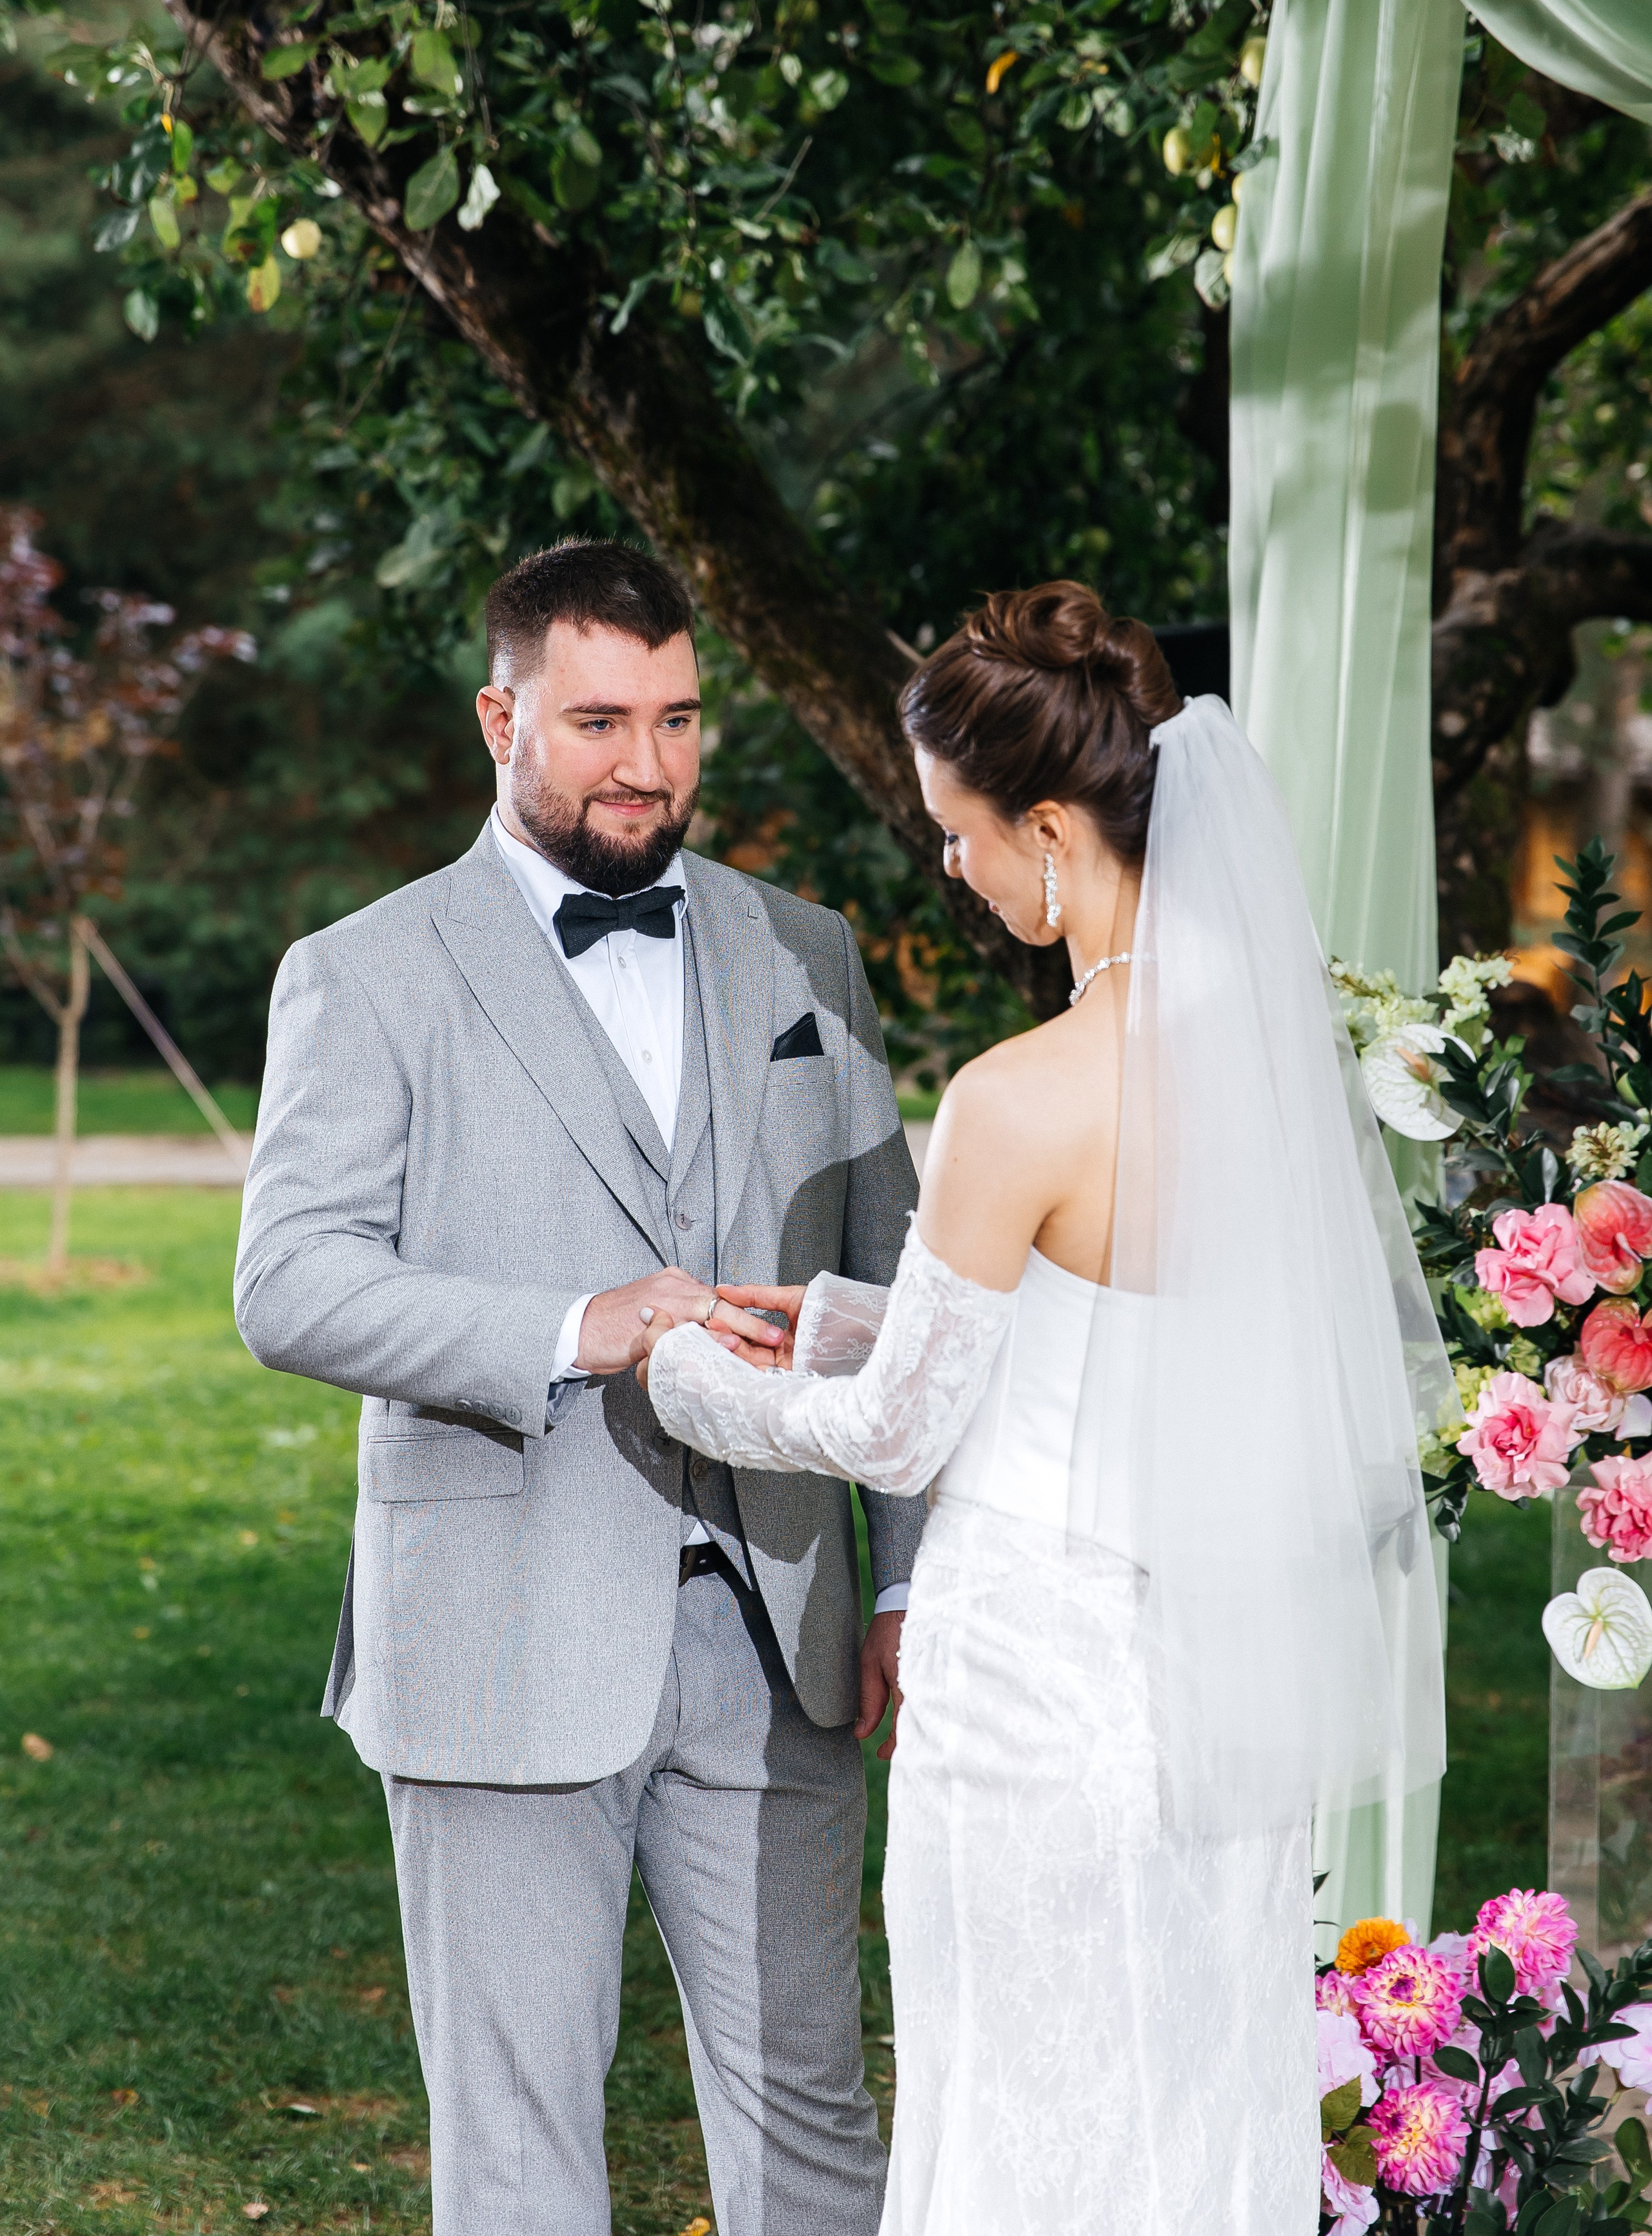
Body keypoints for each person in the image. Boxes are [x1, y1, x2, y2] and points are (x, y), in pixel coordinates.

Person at [641, 580, 1449, 2235]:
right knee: (1187, 2090)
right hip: (1211, 1696)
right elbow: (1130, 1330)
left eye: (961, 832)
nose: (953, 864)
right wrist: (853, 1316)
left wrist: (692, 1378)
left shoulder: (1016, 1099)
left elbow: (896, 1443)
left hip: (1030, 1699)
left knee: (1017, 2095)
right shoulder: (1268, 1067)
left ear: (1054, 829)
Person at [233, 538, 923, 2236]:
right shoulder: (365, 969)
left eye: (680, 720)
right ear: (501, 716)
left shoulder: (807, 953)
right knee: (521, 2143)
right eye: (601, 719)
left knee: (817, 2115)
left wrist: (905, 1572)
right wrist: (570, 1323)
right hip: (497, 1621)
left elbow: (902, 1292)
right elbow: (290, 1278)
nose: (648, 764)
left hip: (783, 1630)